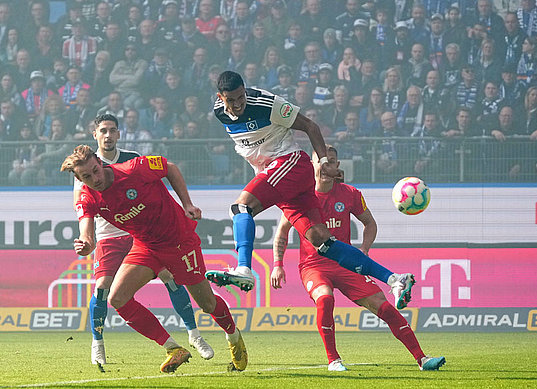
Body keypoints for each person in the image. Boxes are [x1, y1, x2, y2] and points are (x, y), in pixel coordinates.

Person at [206, 71, 415, 310]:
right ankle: (395, 279)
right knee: (323, 243)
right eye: (231, 100)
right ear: (221, 98)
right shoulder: (219, 112)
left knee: (241, 207)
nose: (238, 104)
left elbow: (310, 126)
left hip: (290, 164)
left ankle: (244, 268)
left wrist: (324, 161)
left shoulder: (266, 103)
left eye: (241, 97)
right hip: (282, 178)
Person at [60, 142, 248, 373]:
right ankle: (173, 348)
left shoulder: (133, 169)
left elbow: (170, 168)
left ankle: (233, 336)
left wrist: (187, 204)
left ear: (101, 162)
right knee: (117, 298)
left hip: (180, 241)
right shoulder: (87, 198)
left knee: (207, 304)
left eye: (95, 171)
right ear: (80, 179)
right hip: (146, 246)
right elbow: (86, 233)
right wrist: (85, 245)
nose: (94, 179)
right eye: (86, 176)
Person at [270, 146, 446, 372]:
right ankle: (334, 360)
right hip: (314, 266)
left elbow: (370, 223)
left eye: (330, 161)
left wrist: (364, 249)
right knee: (325, 299)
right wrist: (277, 265)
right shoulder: (301, 197)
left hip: (346, 264)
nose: (325, 166)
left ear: (337, 166)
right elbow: (282, 232)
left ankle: (423, 359)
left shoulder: (350, 194)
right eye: (320, 161)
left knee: (385, 308)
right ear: (310, 166)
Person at [73, 114, 214, 366]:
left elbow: (162, 176)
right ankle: (97, 343)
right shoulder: (82, 172)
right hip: (108, 236)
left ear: (118, 134)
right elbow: (85, 214)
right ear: (95, 135)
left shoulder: (131, 159)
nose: (107, 135)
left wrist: (183, 205)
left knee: (171, 278)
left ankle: (194, 335)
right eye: (102, 131)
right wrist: (87, 239)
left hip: (141, 233)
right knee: (103, 287)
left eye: (112, 130)